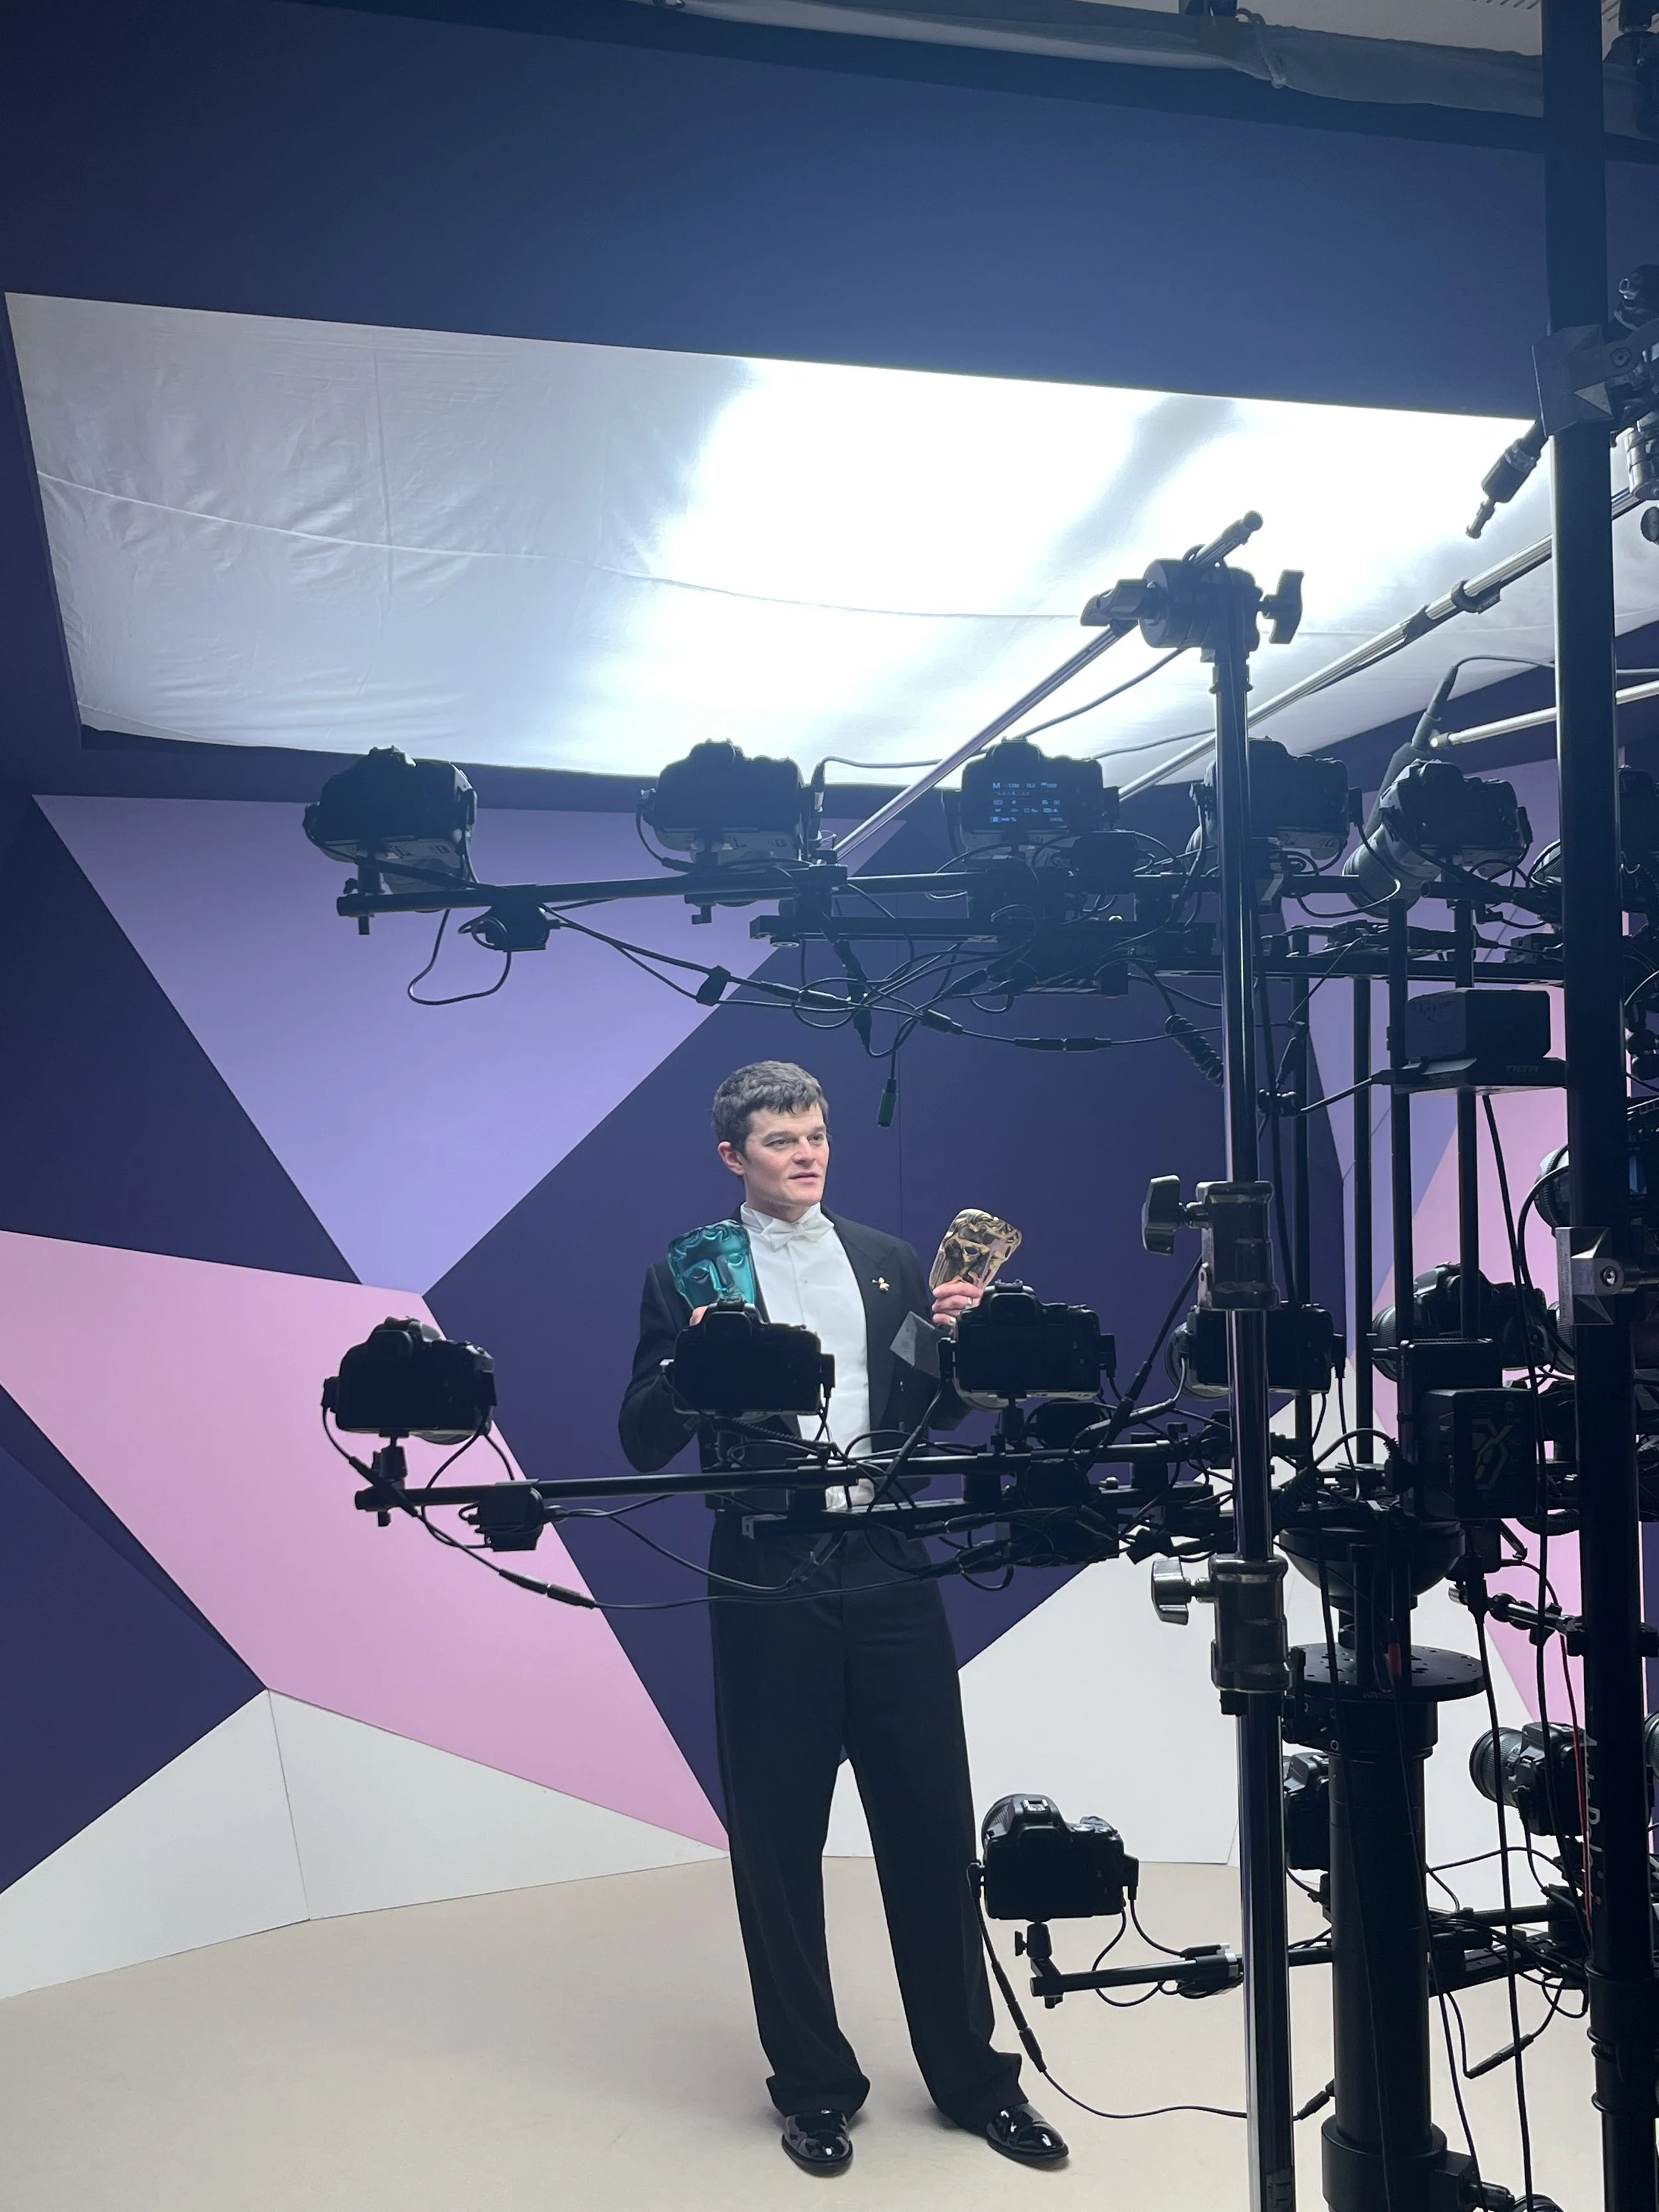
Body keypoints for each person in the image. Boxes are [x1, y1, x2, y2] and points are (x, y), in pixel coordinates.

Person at [619, 1060, 1066, 2175]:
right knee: (779, 1839)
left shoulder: (889, 1260)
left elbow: (930, 1414)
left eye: (817, 1135)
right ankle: (815, 2088)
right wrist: (695, 1361)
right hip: (766, 1565)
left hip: (889, 1559)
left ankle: (973, 2080)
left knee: (931, 1822)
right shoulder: (690, 1271)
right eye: (782, 1140)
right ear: (733, 1156)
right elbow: (641, 1436)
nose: (808, 1154)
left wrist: (958, 1343)